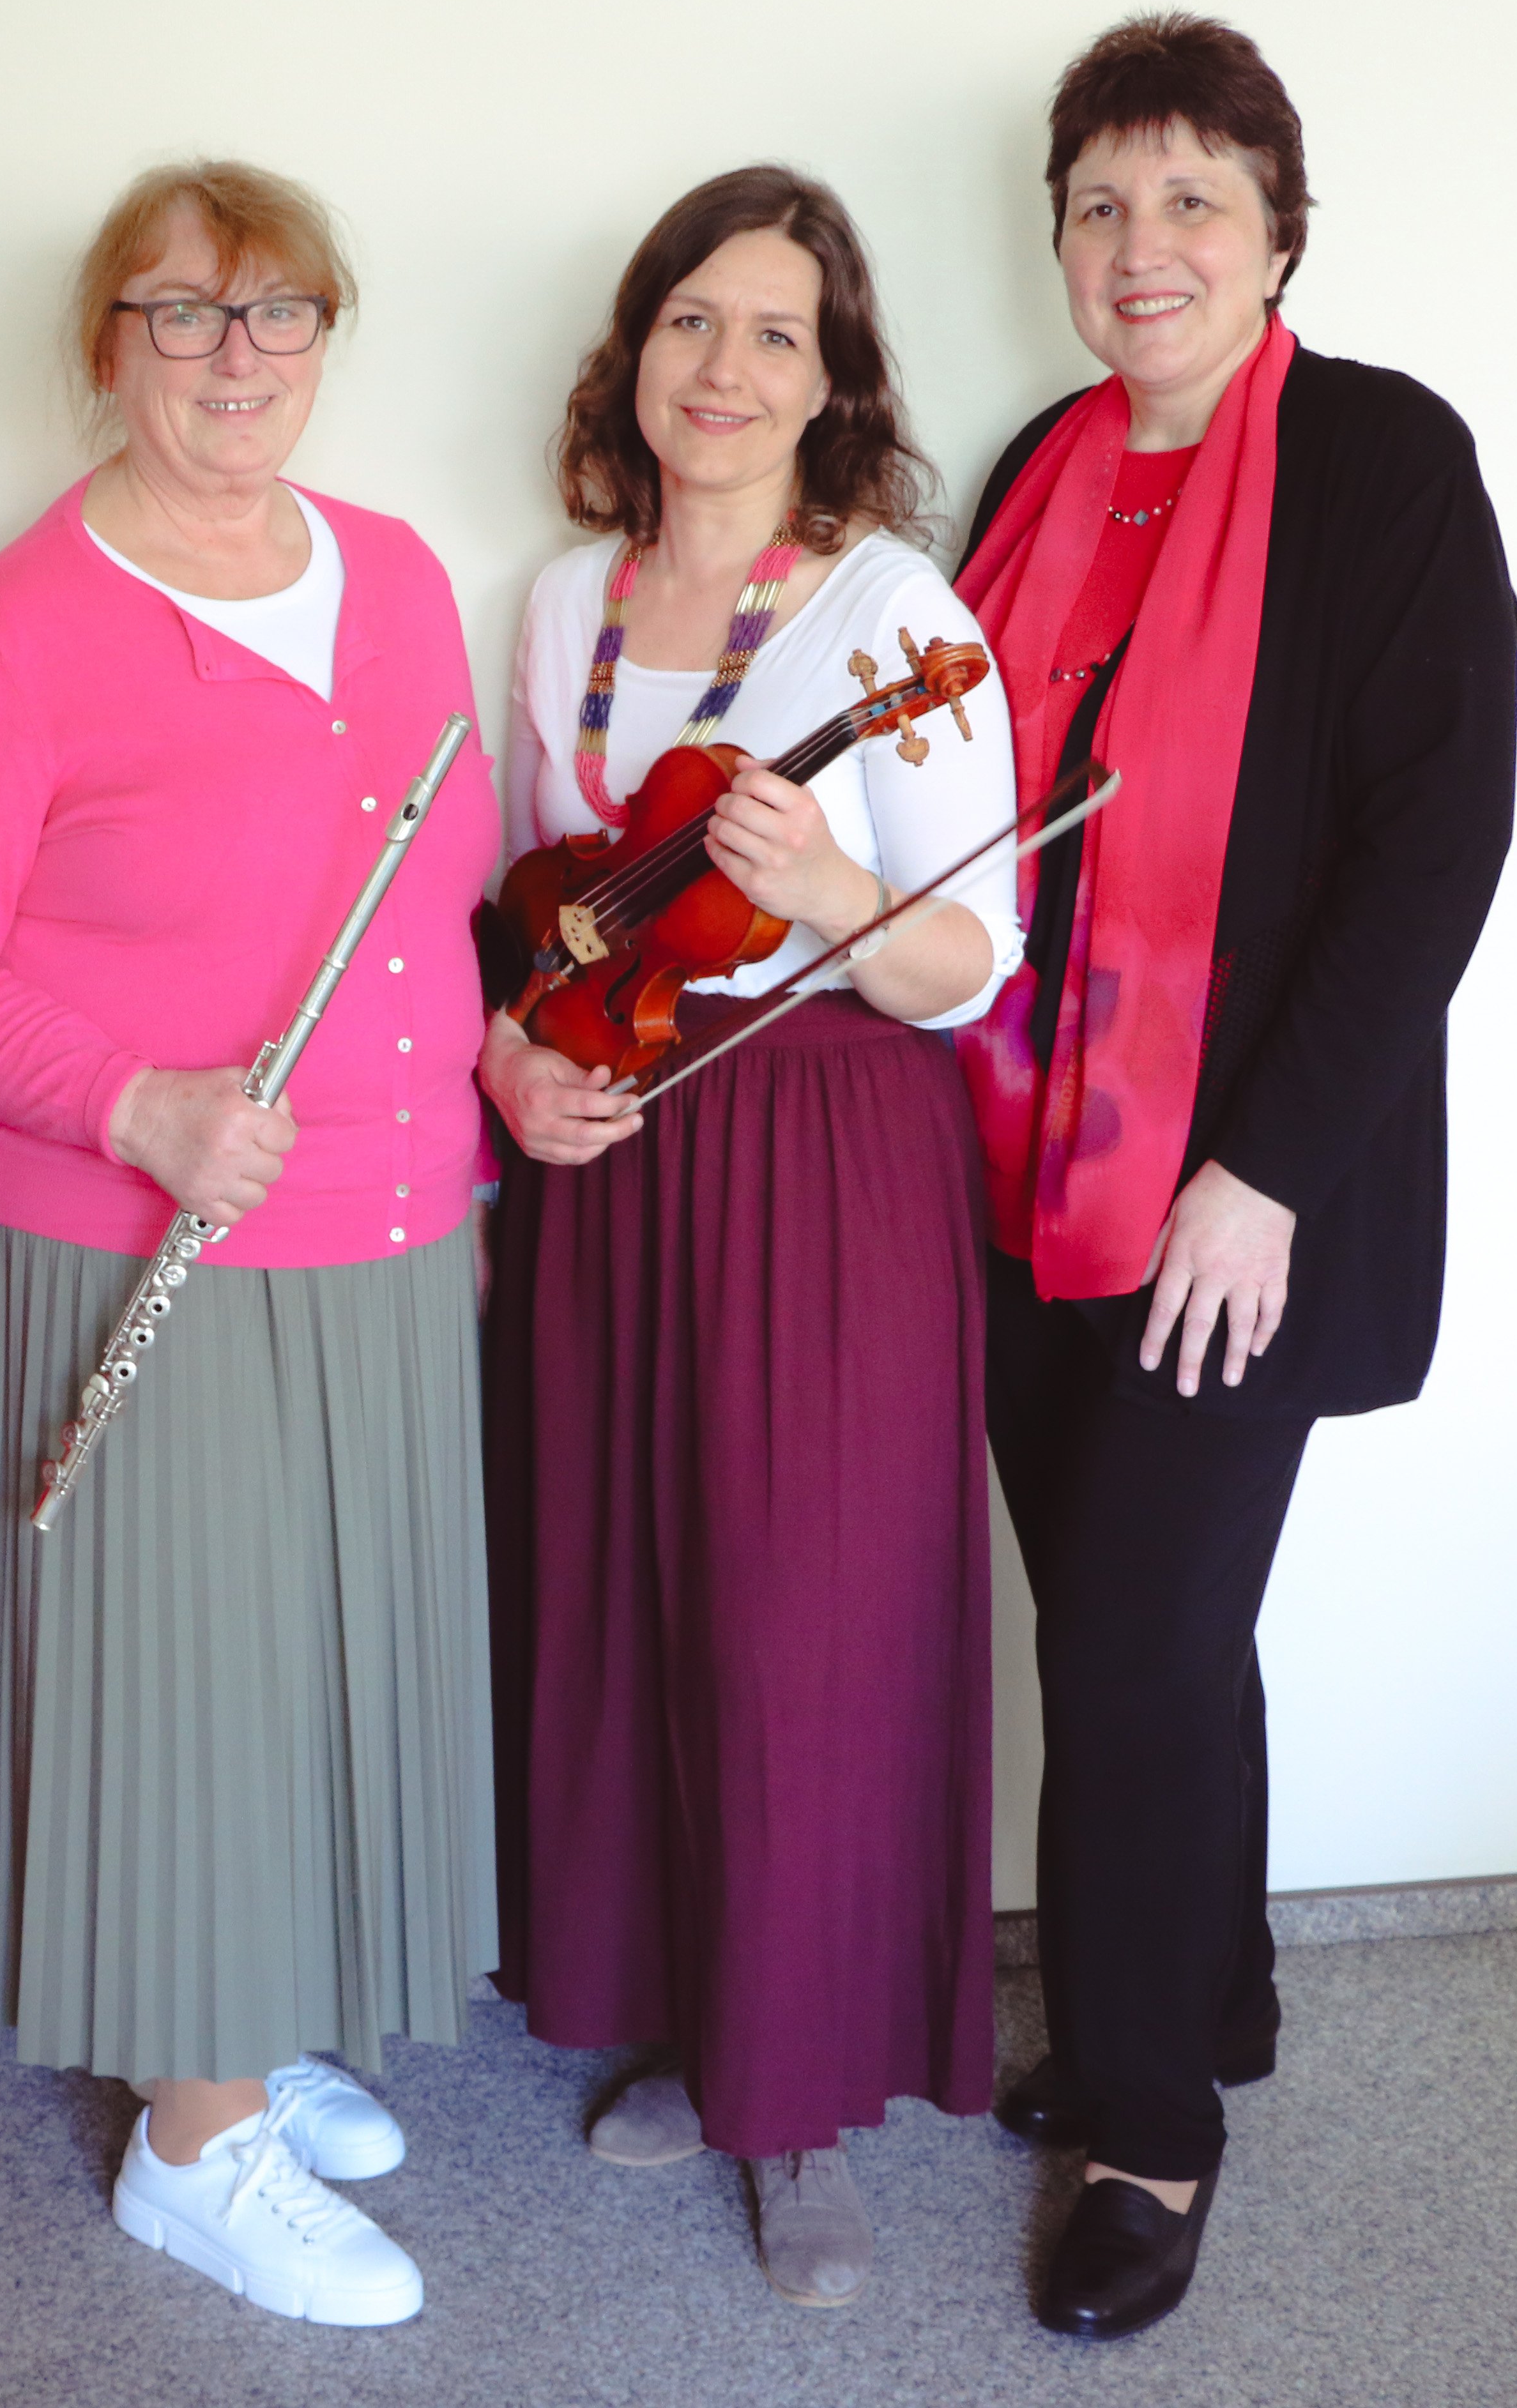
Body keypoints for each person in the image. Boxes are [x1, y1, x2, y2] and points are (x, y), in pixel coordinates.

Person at [0, 160, 500, 2329]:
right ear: (104, 347)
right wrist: (136, 1106)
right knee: (188, 1678)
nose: (238, 357)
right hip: (131, 1238)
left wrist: (474, 1143)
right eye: (183, 313)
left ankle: (242, 2020)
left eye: (279, 311)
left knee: (309, 1660)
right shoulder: (18, 627)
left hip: (381, 1229)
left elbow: (435, 909)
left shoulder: (396, 575)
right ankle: (195, 2145)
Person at [954, 14, 1517, 2339]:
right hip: (1017, 1165)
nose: (1141, 242)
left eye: (1191, 196)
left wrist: (1262, 1170)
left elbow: (1431, 845)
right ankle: (1214, 1993)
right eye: (1099, 202)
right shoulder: (1035, 466)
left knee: (1134, 1644)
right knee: (1142, 1626)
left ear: (1278, 232)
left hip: (1241, 1201)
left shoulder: (1380, 459)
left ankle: (1144, 2124)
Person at [480, 166, 1023, 2309]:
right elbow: (535, 904)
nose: (722, 366)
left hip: (820, 1143)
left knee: (806, 1623)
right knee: (635, 1591)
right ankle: (690, 2024)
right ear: (634, 354)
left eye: (774, 333)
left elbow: (971, 960)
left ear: (831, 383)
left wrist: (829, 896)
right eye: (690, 320)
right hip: (616, 1142)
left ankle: (799, 2104)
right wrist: (513, 1067)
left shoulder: (893, 611)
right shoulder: (562, 603)